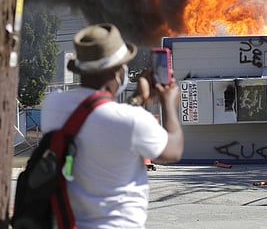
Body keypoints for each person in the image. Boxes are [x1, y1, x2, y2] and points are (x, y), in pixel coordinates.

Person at [41, 23, 184, 228]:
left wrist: (135, 102)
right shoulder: (131, 120)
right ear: (119, 72)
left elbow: (99, 121)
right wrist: (168, 103)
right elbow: (172, 150)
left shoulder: (53, 105)